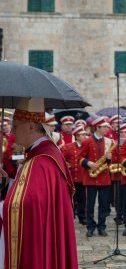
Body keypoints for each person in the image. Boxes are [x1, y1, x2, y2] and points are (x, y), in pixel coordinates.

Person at [0, 97, 78, 269]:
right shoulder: (39, 153)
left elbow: (24, 204)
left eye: (15, 126)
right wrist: (6, 181)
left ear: (30, 126)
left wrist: (0, 205)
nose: (12, 131)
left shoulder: (42, 160)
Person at [79, 116, 113, 237]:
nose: (106, 129)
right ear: (97, 127)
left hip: (104, 176)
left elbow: (111, 162)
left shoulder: (109, 141)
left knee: (104, 204)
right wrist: (88, 163)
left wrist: (109, 159)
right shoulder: (87, 141)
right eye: (104, 127)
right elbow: (79, 158)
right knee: (90, 204)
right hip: (91, 177)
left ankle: (102, 227)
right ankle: (90, 227)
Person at [61, 125, 87, 225]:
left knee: (82, 199)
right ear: (77, 136)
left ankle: (82, 217)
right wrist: (66, 164)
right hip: (72, 177)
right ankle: (71, 216)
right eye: (82, 135)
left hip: (82, 177)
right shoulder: (69, 147)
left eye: (85, 134)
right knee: (71, 199)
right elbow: (61, 158)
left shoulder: (87, 146)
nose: (85, 136)